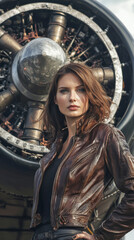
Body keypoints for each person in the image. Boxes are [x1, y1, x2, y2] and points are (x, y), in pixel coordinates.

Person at [30, 62, 134, 240]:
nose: (72, 97)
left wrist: (101, 236)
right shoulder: (53, 150)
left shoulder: (105, 135)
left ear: (91, 94)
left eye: (81, 90)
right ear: (55, 98)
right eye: (64, 91)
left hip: (71, 235)